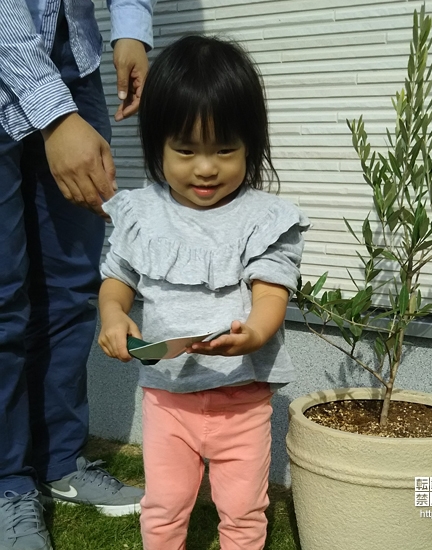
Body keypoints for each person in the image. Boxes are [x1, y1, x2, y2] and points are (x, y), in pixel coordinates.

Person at [97, 35, 310, 550]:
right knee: (165, 505)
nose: (206, 168)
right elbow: (117, 277)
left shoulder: (263, 219)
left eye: (225, 150)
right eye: (186, 150)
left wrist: (256, 332)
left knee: (243, 509)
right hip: (167, 399)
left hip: (242, 400)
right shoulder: (141, 215)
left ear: (251, 146)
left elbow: (271, 290)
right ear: (157, 147)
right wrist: (112, 315)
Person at [0, 1, 154, 549]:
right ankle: (6, 485)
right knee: (3, 298)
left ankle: (61, 461)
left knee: (70, 288)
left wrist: (132, 29)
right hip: (7, 48)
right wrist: (54, 114)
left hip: (75, 55)